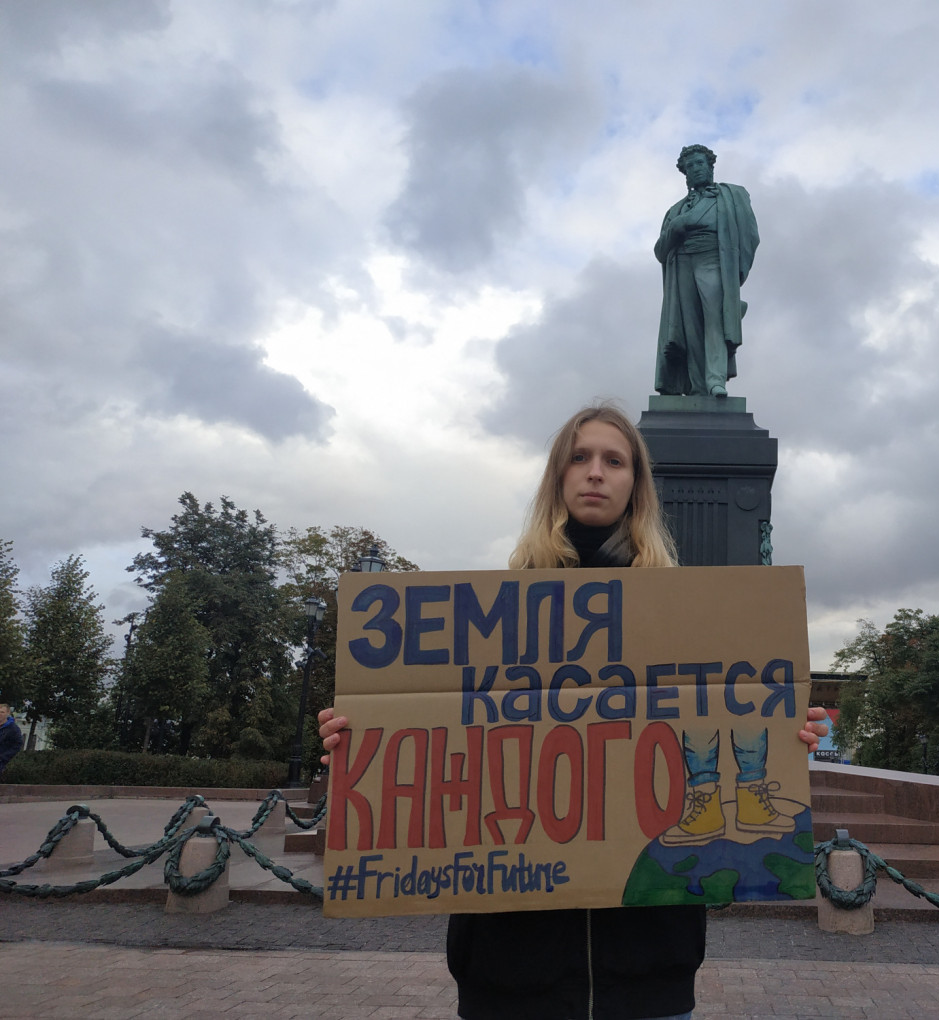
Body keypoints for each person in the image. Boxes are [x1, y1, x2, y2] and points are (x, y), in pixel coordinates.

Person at [319, 403, 829, 1020]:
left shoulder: (687, 620)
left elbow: (732, 716)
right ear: (556, 479)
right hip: (511, 974)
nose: (595, 473)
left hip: (648, 972)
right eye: (579, 458)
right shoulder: (492, 617)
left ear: (636, 485)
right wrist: (362, 736)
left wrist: (787, 735)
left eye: (614, 461)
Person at [654, 145, 759, 398]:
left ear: (710, 166)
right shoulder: (676, 210)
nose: (695, 169)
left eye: (699, 164)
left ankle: (715, 380)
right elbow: (659, 252)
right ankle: (698, 389)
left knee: (715, 319)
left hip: (714, 258)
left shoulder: (732, 195)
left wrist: (736, 276)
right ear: (685, 174)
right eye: (689, 167)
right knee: (690, 328)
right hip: (682, 263)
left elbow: (750, 236)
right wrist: (675, 229)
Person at [0, 702, 22, 778]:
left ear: (8, 713)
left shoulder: (13, 729)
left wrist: (3, 757)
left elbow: (17, 745)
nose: (0, 714)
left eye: (2, 712)